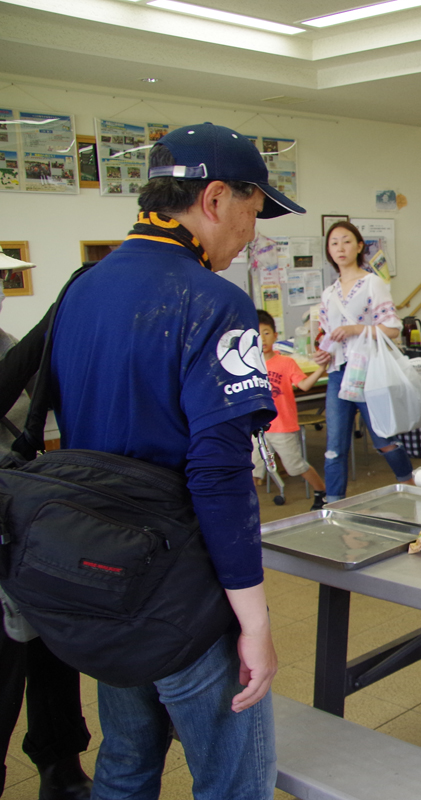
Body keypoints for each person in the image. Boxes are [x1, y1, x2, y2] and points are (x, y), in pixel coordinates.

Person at [48, 122, 303, 799]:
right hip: (182, 594)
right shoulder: (216, 302)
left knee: (126, 766)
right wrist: (255, 623)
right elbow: (218, 475)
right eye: (253, 213)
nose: (252, 234)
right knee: (232, 782)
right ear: (216, 199)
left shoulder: (82, 289)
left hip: (99, 576)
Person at [0, 292, 93, 800]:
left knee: (53, 650)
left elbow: (45, 400)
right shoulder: (21, 346)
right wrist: (55, 317)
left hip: (25, 515)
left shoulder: (6, 342)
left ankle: (60, 763)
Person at [313, 221, 415, 502]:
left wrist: (357, 329)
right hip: (337, 373)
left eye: (346, 241)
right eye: (334, 243)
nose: (340, 248)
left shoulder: (373, 283)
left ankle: (409, 484)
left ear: (359, 246)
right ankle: (333, 505)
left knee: (383, 440)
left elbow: (393, 329)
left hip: (370, 372)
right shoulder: (328, 293)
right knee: (334, 446)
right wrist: (323, 353)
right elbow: (328, 336)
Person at [252, 309, 328, 509]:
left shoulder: (285, 362)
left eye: (267, 333)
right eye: (258, 334)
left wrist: (322, 368)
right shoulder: (250, 364)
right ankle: (248, 509)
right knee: (252, 469)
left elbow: (303, 385)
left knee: (295, 467)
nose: (263, 339)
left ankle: (322, 491)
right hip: (257, 427)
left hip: (283, 426)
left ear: (276, 336)